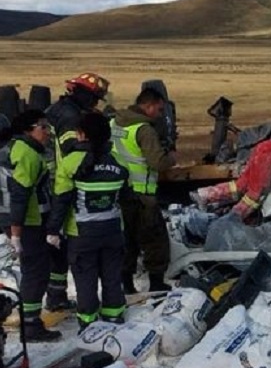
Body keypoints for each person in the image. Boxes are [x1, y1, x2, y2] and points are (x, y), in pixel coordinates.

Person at [47, 112, 130, 331]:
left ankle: (88, 322)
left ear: (81, 135)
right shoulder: (118, 161)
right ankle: (114, 316)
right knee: (112, 275)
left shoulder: (70, 163)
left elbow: (61, 201)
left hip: (82, 234)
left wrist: (53, 230)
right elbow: (127, 198)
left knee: (85, 279)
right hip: (112, 230)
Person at [0, 109, 61, 341]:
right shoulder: (27, 155)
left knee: (37, 268)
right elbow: (20, 196)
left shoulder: (15, 149)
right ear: (28, 129)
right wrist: (16, 234)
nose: (47, 132)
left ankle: (33, 318)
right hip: (27, 223)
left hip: (21, 221)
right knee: (35, 272)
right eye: (42, 127)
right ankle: (30, 324)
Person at [43, 72, 110, 311]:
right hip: (62, 183)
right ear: (82, 94)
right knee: (65, 242)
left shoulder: (60, 110)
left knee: (59, 243)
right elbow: (75, 149)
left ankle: (56, 294)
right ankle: (56, 296)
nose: (94, 104)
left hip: (54, 180)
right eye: (93, 98)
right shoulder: (71, 117)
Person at [111, 86, 174, 295]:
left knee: (127, 240)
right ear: (148, 106)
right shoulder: (144, 130)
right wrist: (171, 157)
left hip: (119, 191)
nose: (160, 114)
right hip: (142, 195)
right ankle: (156, 282)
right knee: (155, 240)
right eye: (159, 110)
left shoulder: (115, 123)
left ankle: (125, 283)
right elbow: (158, 162)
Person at [191, 138, 271, 219]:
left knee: (241, 186)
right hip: (267, 157)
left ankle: (203, 195)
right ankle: (233, 219)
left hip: (262, 149)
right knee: (256, 195)